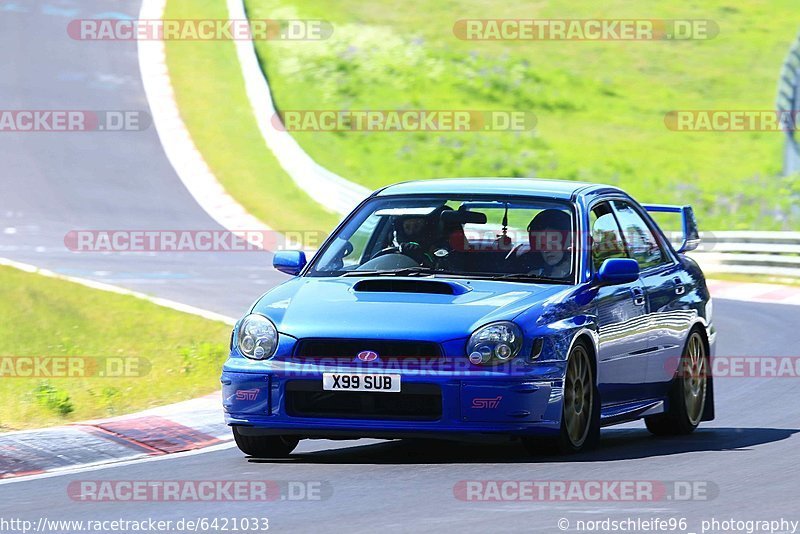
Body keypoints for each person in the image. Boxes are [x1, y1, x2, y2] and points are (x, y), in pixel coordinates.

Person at [507, 209, 573, 278]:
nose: (546, 250)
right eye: (542, 245)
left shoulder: (582, 273)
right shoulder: (533, 276)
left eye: (552, 244)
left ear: (569, 242)